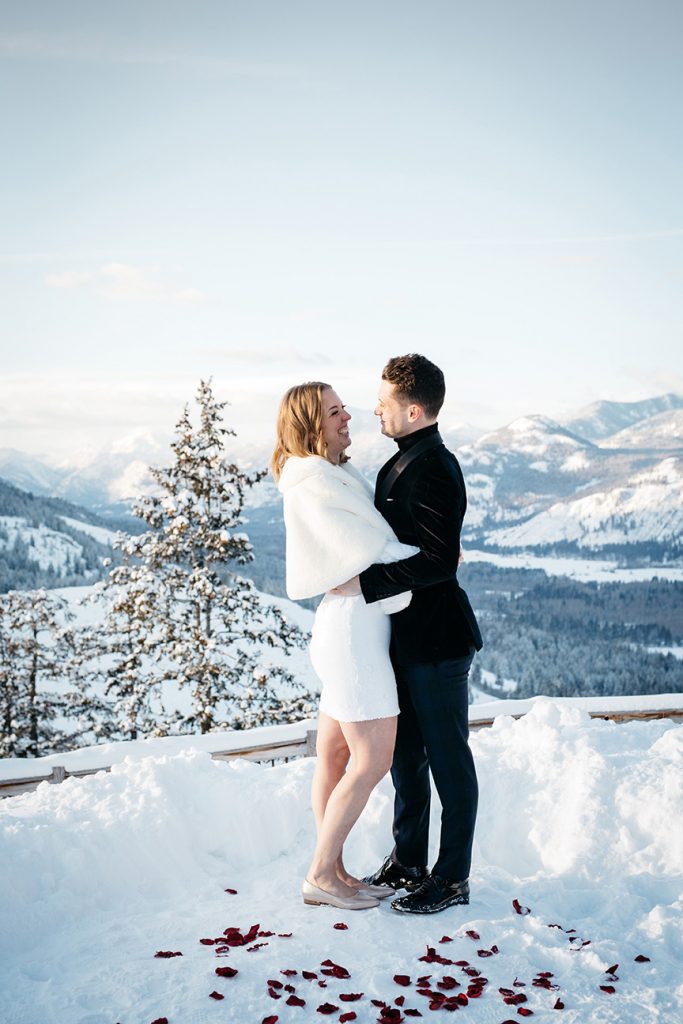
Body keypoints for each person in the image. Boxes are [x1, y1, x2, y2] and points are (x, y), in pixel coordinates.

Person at [331, 354, 483, 914]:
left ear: (413, 410)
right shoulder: (403, 462)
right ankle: (409, 861)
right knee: (407, 757)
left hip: (439, 642)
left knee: (448, 760)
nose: (374, 410)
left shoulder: (435, 467)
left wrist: (363, 584)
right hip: (406, 638)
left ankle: (452, 877)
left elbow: (441, 561)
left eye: (385, 403)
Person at [271, 381, 418, 912]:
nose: (346, 416)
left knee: (333, 756)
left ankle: (331, 867)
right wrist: (436, 552)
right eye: (334, 412)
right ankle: (319, 874)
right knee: (373, 757)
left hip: (348, 627)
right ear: (312, 424)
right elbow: (367, 551)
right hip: (354, 639)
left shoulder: (332, 474)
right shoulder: (314, 482)